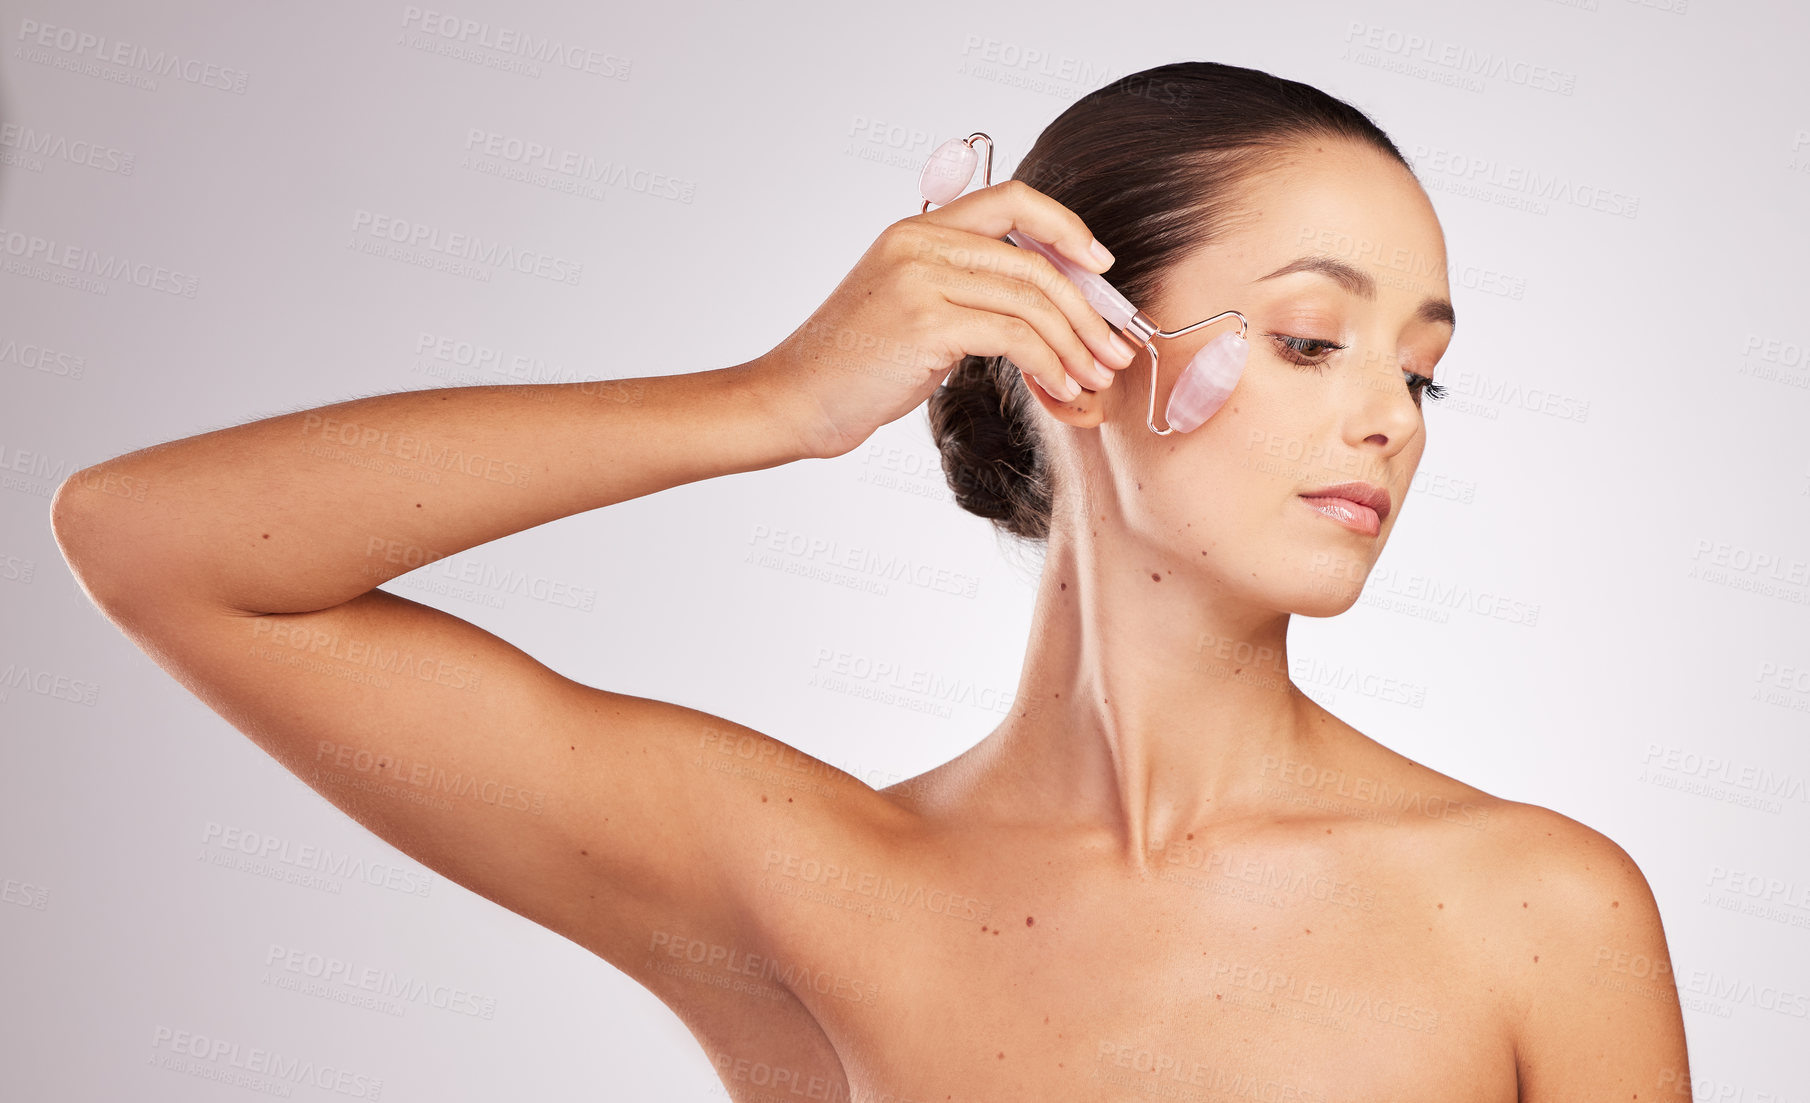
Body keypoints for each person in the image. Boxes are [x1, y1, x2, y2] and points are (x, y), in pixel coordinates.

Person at [51, 60, 1688, 1101]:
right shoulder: (803, 882)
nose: (1384, 418)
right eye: (1313, 339)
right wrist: (771, 404)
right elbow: (159, 544)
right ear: (1075, 339)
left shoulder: (1533, 913)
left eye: (1423, 371)